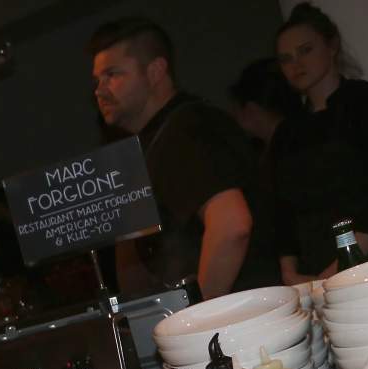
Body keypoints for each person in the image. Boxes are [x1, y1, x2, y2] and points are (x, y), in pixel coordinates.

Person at [88, 17, 279, 299]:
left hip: (239, 325)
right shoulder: (162, 135)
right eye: (98, 80)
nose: (100, 90)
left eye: (113, 75)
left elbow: (231, 226)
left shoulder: (185, 128)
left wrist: (198, 321)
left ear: (155, 71)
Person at [271, 2, 368, 282]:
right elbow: (282, 215)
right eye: (286, 58)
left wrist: (333, 274)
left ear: (332, 45)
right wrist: (291, 274)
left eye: (305, 50)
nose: (296, 64)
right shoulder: (287, 133)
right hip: (316, 279)